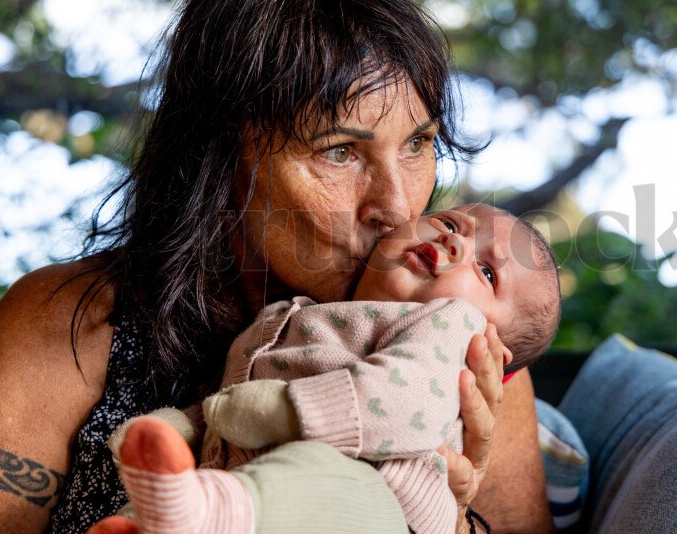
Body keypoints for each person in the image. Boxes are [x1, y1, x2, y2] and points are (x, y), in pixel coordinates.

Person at [0, 0, 554, 534]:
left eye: (418, 143)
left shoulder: (469, 349)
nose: (396, 208)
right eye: (340, 152)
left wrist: (457, 519)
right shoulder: (70, 324)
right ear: (221, 158)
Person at [88, 203, 560, 534]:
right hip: (247, 481)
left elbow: (396, 401)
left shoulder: (452, 329)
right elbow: (233, 399)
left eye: (488, 272)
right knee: (174, 502)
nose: (454, 241)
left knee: (319, 473)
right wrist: (180, 425)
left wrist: (284, 411)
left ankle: (203, 512)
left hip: (375, 499)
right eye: (451, 222)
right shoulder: (299, 318)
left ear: (491, 347)